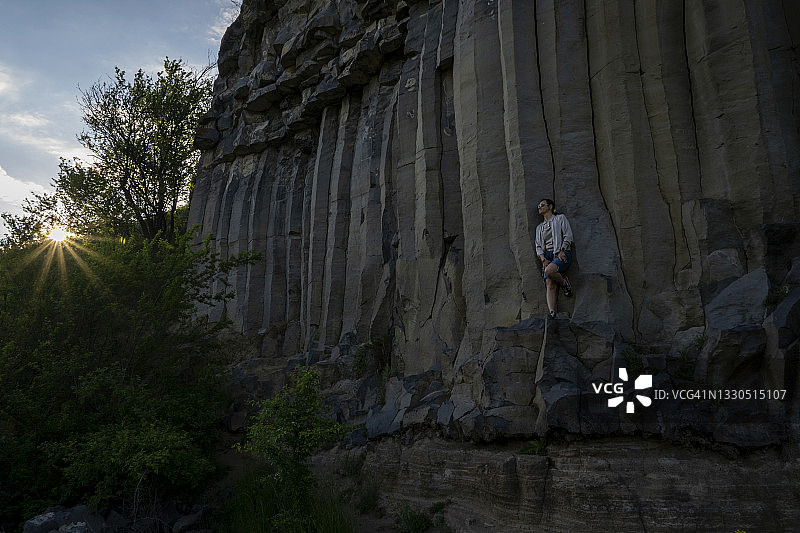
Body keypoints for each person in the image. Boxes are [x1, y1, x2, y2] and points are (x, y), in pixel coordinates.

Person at [535, 198, 574, 319]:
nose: (539, 207)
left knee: (549, 271)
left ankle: (564, 282)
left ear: (550, 206)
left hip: (561, 252)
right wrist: (543, 259)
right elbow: (538, 246)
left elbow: (568, 235)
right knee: (549, 283)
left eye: (542, 205)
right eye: (538, 205)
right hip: (547, 255)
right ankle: (552, 312)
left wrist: (562, 250)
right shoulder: (539, 228)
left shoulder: (560, 218)